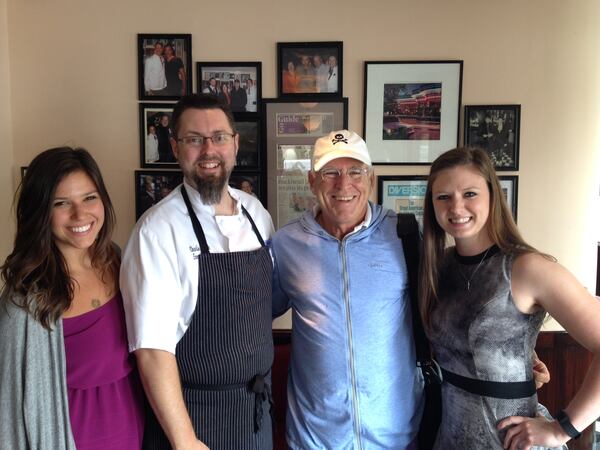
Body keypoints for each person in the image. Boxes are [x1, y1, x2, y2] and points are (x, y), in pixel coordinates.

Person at [121, 94, 275, 449]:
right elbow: (151, 350)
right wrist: (185, 439)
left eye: (219, 137)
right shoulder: (157, 230)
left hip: (255, 415)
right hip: (194, 418)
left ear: (235, 144)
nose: (209, 150)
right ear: (175, 147)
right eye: (194, 139)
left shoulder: (256, 213)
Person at [420, 147, 600, 449]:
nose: (456, 206)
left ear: (493, 196)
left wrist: (563, 428)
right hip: (449, 437)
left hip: (512, 441)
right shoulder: (439, 267)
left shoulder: (529, 268)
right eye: (444, 197)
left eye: (470, 194)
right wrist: (518, 357)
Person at [272, 130, 424, 449]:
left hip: (396, 436)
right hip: (315, 438)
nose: (344, 185)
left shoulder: (406, 236)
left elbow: (447, 310)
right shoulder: (285, 244)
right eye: (331, 173)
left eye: (355, 171)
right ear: (313, 181)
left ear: (371, 178)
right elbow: (254, 315)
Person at [0, 147, 144, 449]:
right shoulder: (25, 300)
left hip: (133, 431)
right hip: (68, 440)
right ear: (41, 212)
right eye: (62, 203)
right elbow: (8, 409)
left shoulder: (119, 260)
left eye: (89, 198)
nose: (80, 215)